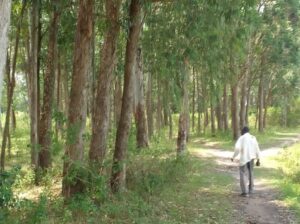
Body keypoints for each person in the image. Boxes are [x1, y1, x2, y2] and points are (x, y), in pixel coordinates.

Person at [231, 126, 261, 197]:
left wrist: (233, 156)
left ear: (243, 131)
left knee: (243, 173)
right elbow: (257, 148)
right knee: (251, 172)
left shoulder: (241, 138)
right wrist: (258, 159)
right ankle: (251, 189)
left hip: (244, 158)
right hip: (252, 158)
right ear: (248, 131)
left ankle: (245, 192)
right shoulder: (253, 138)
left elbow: (237, 148)